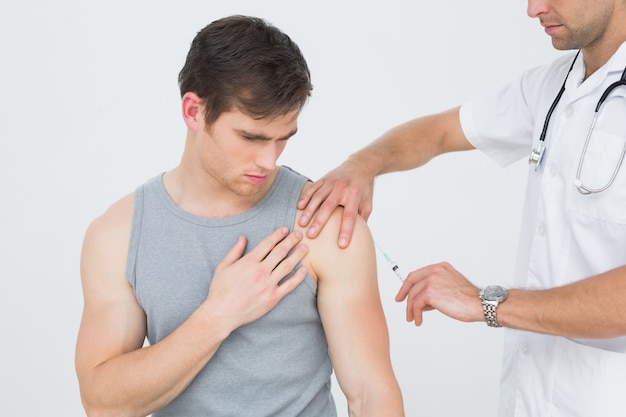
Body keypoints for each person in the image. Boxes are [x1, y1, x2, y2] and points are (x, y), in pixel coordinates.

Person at [297, 1, 626, 416]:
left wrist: (484, 302)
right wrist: (362, 166)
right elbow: (440, 132)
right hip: (529, 398)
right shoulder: (554, 86)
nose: (533, 9)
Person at [75, 15, 404, 417]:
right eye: (251, 137)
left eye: (283, 138)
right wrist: (219, 315)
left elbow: (371, 395)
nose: (269, 160)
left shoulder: (320, 224)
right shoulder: (118, 235)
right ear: (194, 112)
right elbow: (103, 403)